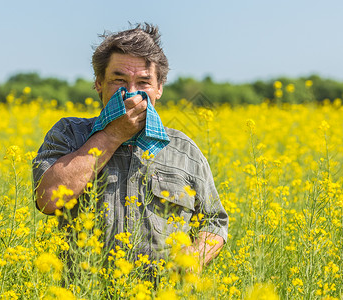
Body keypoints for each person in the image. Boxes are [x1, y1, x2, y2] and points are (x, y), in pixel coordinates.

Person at [32, 23, 228, 274]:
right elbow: (47, 199)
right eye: (119, 80)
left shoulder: (184, 150)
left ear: (159, 88)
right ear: (99, 83)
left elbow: (215, 220)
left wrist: (197, 255)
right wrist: (113, 134)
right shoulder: (70, 134)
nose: (131, 93)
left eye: (144, 82)